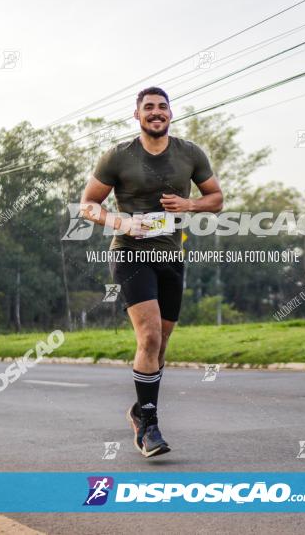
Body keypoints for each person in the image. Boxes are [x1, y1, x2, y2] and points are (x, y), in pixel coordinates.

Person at [78, 86, 223, 457]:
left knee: (163, 343)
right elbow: (88, 206)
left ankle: (139, 409)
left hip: (171, 256)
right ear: (137, 115)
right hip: (130, 254)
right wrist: (121, 224)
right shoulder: (118, 156)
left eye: (162, 107)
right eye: (148, 108)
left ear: (170, 114)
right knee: (149, 336)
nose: (156, 113)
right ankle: (149, 427)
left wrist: (189, 204)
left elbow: (216, 200)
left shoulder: (190, 153)